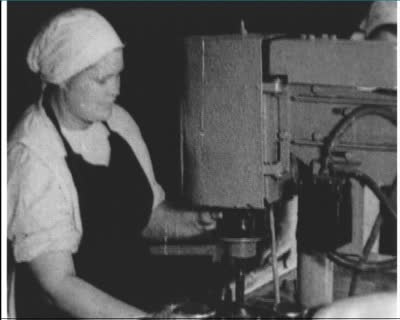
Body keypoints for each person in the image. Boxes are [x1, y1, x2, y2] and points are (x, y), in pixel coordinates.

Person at [7, 8, 218, 319]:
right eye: (102, 79)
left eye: (118, 74)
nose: (116, 89)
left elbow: (148, 217)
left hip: (135, 303)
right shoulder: (33, 156)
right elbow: (57, 287)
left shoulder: (116, 122)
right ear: (62, 79)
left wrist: (198, 221)